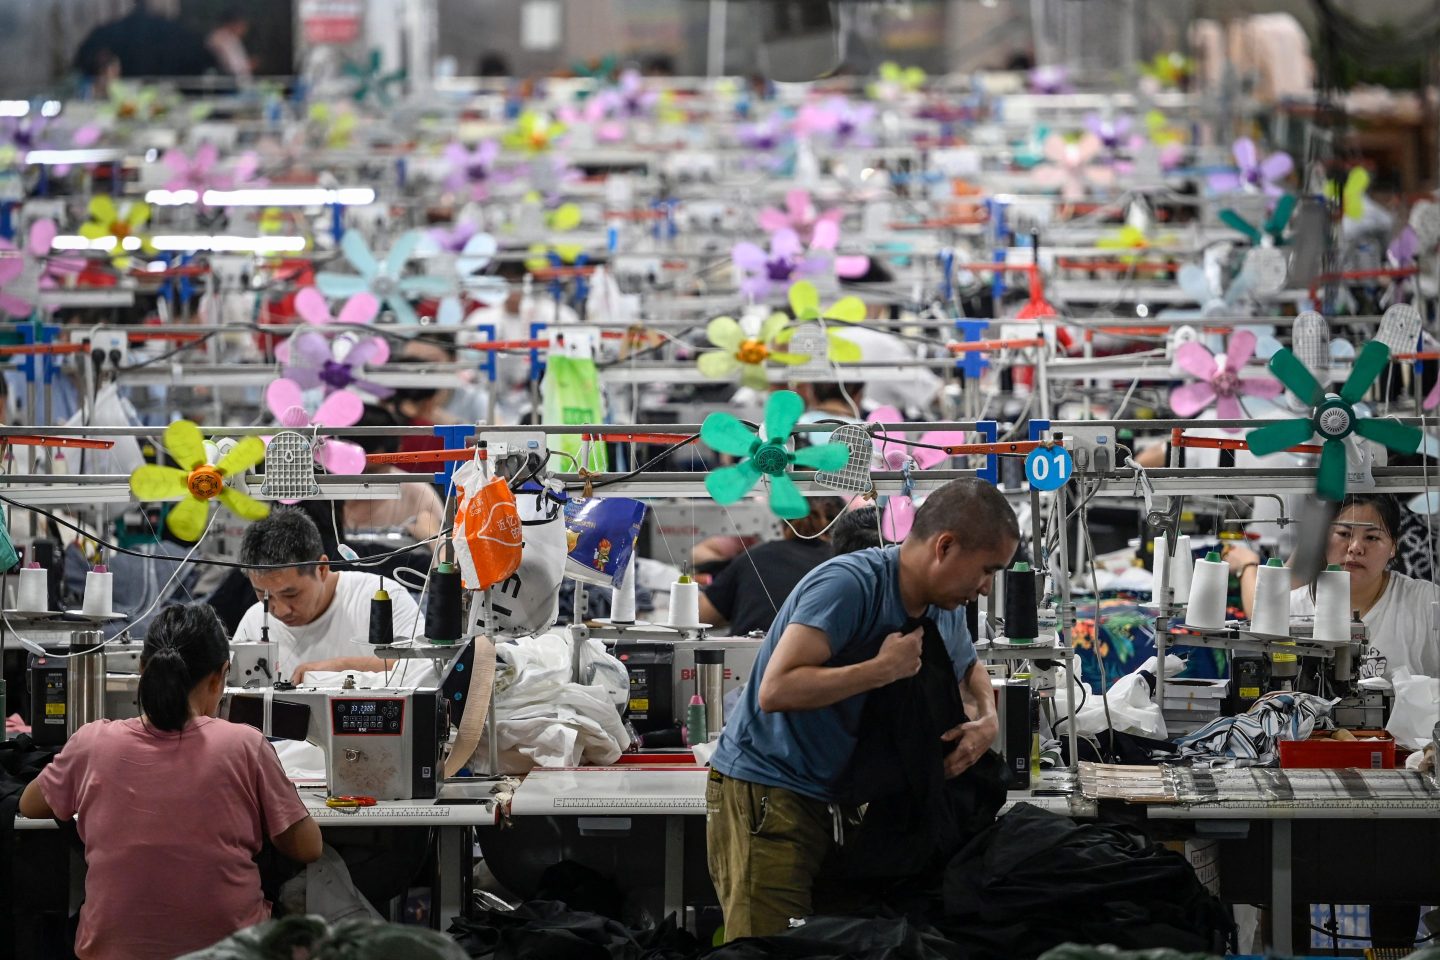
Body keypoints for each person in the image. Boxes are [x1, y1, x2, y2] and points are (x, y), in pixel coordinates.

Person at [706, 479, 1019, 940]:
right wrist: (880, 669)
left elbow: (967, 663)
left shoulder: (944, 603)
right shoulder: (849, 586)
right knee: (769, 949)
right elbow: (775, 689)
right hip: (771, 794)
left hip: (842, 799)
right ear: (945, 546)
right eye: (987, 570)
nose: (987, 587)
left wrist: (987, 722)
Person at [19, 603, 322, 959]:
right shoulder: (244, 745)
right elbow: (308, 848)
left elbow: (29, 804)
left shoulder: (92, 742)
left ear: (142, 668)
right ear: (219, 677)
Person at [1229, 493, 1440, 681]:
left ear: (1394, 546)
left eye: (1372, 537)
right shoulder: (1293, 609)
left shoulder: (1426, 604)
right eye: (1344, 534)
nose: (1355, 548)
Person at [230, 508, 432, 686]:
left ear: (322, 569)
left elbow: (427, 668)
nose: (280, 610)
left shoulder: (381, 599)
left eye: (291, 594)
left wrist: (341, 668)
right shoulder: (254, 622)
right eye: (264, 596)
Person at [699, 497, 843, 637]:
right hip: (818, 658)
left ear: (783, 524)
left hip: (749, 657)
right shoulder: (843, 564)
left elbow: (701, 616)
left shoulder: (756, 555)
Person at [342, 404, 446, 545]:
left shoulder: (419, 496)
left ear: (396, 451)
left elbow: (442, 553)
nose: (361, 475)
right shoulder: (323, 492)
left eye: (370, 470)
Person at [73, 0, 216, 79]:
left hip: (128, 100)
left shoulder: (109, 32)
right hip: (171, 96)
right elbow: (204, 64)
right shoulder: (179, 32)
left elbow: (82, 60)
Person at [206, 6, 253, 81]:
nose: (245, 29)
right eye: (243, 24)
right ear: (234, 23)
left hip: (241, 85)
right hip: (228, 87)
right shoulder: (219, 38)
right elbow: (233, 67)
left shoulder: (233, 38)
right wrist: (250, 64)